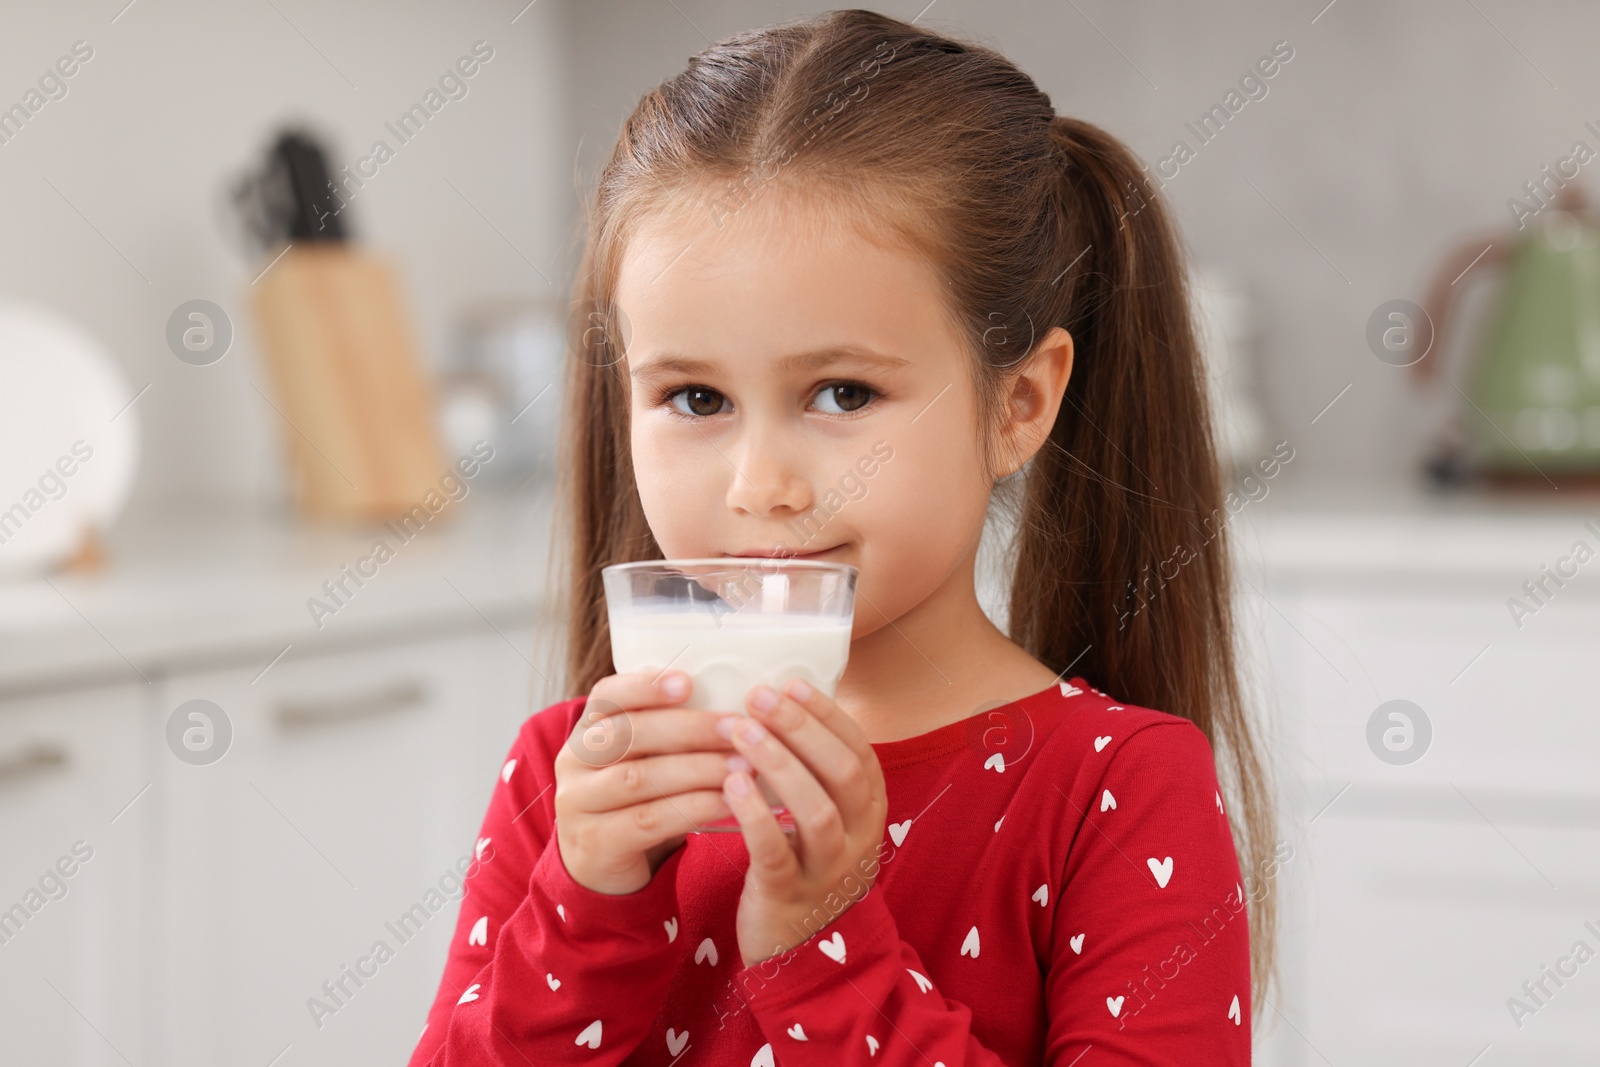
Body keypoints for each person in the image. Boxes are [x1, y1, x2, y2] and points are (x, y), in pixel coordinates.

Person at [408, 8, 1278, 1065]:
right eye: (692, 397)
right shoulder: (571, 780)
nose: (761, 484)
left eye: (841, 391)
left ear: (1018, 404)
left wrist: (826, 944)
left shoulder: (1116, 790)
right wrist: (586, 907)